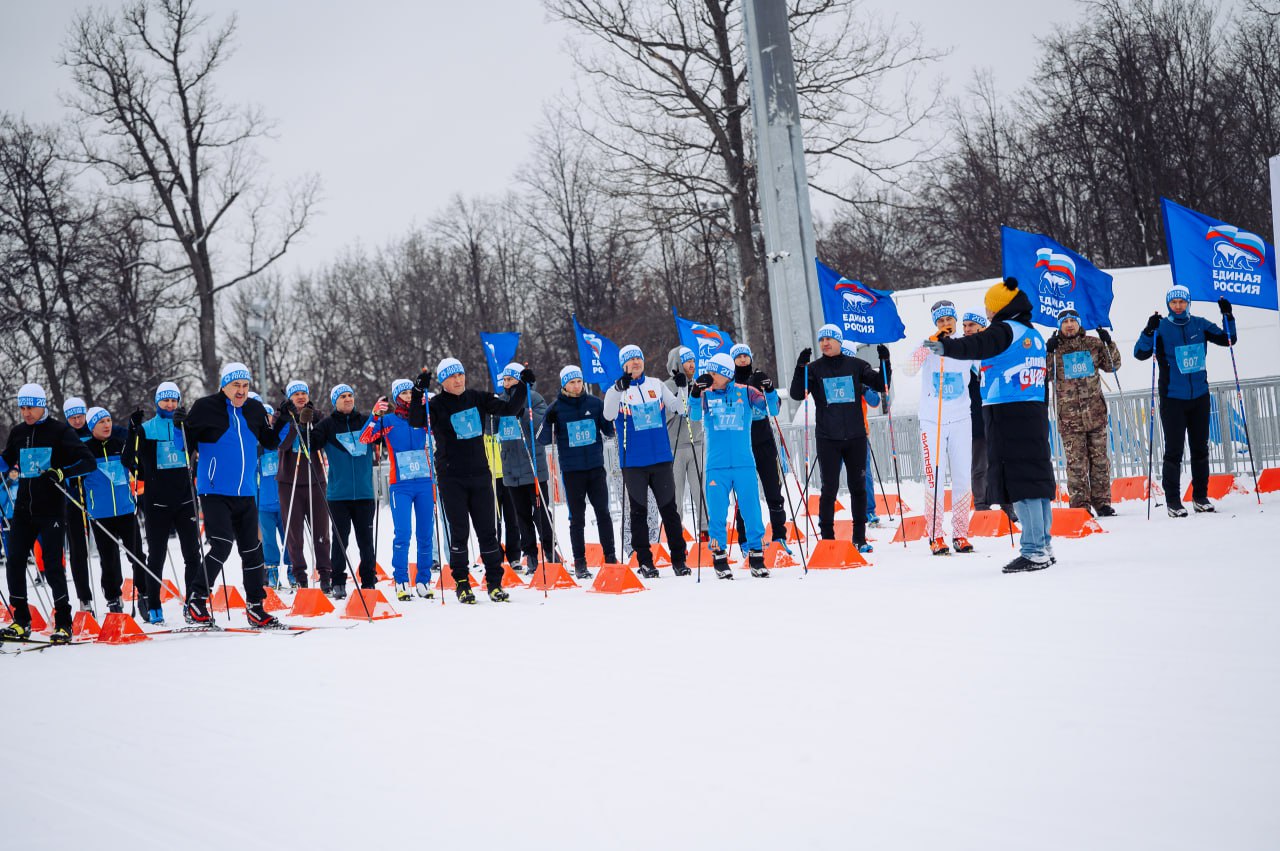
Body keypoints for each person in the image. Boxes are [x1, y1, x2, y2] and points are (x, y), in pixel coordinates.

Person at [929, 278, 1054, 573]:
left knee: (1020, 479)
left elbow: (978, 344)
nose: (986, 313)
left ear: (999, 307)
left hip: (1009, 410)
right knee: (1035, 477)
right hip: (1032, 408)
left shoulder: (1005, 329)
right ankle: (1044, 544)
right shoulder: (1031, 333)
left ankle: (1034, 549)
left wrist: (945, 345)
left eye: (989, 307)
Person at [412, 358, 532, 603]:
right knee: (459, 532)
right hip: (451, 477)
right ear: (443, 381)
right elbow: (415, 420)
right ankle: (462, 583)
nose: (458, 380)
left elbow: (509, 410)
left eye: (461, 375)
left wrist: (521, 387)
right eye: (452, 377)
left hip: (479, 474)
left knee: (488, 532)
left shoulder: (478, 398)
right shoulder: (435, 404)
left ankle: (494, 583)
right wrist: (417, 392)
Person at [183, 362, 283, 626]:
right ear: (224, 386)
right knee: (222, 544)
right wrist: (179, 428)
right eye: (235, 386)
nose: (241, 391)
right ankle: (196, 598)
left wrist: (284, 418)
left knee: (252, 549)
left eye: (245, 386)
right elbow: (184, 446)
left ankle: (255, 607)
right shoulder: (206, 408)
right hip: (215, 491)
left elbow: (271, 441)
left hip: (246, 492)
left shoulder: (254, 409)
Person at [0, 384, 95, 643]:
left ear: (42, 405)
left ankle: (63, 623)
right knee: (15, 562)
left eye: (30, 407)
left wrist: (62, 472)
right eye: (22, 407)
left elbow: (88, 461)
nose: (25, 412)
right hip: (23, 510)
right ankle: (21, 621)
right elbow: (6, 460)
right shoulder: (19, 432)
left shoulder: (60, 431)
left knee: (53, 566)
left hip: (51, 510)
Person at [1134, 288, 1238, 516]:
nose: (1178, 306)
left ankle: (1200, 496)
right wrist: (1148, 329)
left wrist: (1227, 316)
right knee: (1174, 451)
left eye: (1182, 302)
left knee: (1200, 449)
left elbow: (1229, 339)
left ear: (1188, 303)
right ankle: (1173, 501)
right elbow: (1139, 353)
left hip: (1199, 396)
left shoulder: (1200, 324)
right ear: (1168, 304)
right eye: (1174, 302)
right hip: (1173, 399)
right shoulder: (1161, 328)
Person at [788, 325, 890, 553]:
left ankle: (860, 537)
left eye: (829, 339)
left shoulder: (856, 366)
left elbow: (882, 384)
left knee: (858, 488)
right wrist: (800, 366)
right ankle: (827, 538)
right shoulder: (814, 369)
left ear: (839, 342)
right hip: (828, 438)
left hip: (855, 436)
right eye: (821, 339)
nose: (825, 343)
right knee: (829, 488)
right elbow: (797, 394)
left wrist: (885, 361)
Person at [603, 345, 690, 579]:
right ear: (623, 366)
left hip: (660, 458)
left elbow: (680, 408)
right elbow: (608, 415)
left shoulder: (656, 385)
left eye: (638, 359)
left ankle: (679, 559)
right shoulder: (617, 389)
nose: (635, 363)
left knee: (669, 511)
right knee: (639, 512)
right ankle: (645, 561)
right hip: (633, 462)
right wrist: (616, 390)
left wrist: (683, 386)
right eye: (630, 361)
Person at [690, 352, 779, 578]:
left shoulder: (746, 392)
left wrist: (770, 390)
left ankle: (757, 557)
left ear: (726, 373)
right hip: (716, 465)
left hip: (743, 463)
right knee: (718, 513)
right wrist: (694, 392)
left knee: (751, 510)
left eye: (714, 372)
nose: (710, 376)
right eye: (708, 372)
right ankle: (719, 558)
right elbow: (693, 415)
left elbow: (773, 409)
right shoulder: (706, 395)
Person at [127, 382, 204, 625]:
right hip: (156, 503)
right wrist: (132, 430)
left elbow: (199, 449)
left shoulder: (185, 425)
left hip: (184, 500)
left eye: (174, 400)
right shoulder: (147, 429)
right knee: (156, 556)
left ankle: (193, 602)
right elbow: (128, 458)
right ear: (157, 402)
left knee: (192, 554)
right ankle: (154, 605)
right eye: (165, 400)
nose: (170, 405)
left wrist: (187, 427)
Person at [906, 300, 976, 555]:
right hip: (932, 421)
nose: (946, 324)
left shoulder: (966, 345)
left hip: (960, 420)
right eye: (941, 321)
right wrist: (929, 346)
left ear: (956, 321)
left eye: (949, 320)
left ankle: (961, 533)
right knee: (934, 477)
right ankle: (935, 534)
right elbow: (908, 369)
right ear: (935, 323)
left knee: (962, 477)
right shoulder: (928, 343)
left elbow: (986, 366)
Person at [539, 366, 617, 579]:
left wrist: (612, 416)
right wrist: (549, 422)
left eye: (579, 382)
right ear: (564, 384)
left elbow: (608, 430)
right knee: (577, 518)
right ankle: (580, 562)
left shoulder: (594, 403)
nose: (576, 386)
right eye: (571, 382)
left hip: (595, 468)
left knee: (603, 513)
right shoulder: (556, 408)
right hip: (572, 472)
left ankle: (610, 557)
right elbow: (543, 438)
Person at [363, 379, 435, 600]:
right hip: (400, 484)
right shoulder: (390, 420)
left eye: (410, 392)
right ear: (396, 397)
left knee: (426, 534)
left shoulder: (423, 418)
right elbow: (366, 438)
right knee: (403, 533)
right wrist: (375, 415)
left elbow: (440, 429)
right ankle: (401, 580)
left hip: (424, 482)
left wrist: (429, 408)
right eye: (403, 393)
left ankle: (423, 580)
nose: (408, 396)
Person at [1046, 308, 1121, 516]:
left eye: (1072, 321)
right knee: (1076, 464)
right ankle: (1080, 506)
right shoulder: (1056, 349)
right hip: (1070, 419)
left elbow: (1113, 365)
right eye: (1065, 322)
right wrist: (1048, 352)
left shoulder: (1093, 344)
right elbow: (1046, 375)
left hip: (1095, 414)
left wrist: (1109, 343)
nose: (1069, 325)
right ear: (1059, 326)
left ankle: (1102, 502)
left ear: (1079, 323)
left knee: (1099, 461)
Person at [492, 362, 559, 575]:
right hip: (511, 468)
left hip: (533, 466)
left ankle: (549, 548)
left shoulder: (534, 398)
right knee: (521, 516)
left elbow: (541, 423)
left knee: (540, 512)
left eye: (511, 379)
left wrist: (524, 411)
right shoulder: (500, 401)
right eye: (505, 380)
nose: (507, 384)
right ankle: (530, 553)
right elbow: (492, 428)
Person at [81, 406, 146, 617]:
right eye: (101, 422)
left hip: (126, 510)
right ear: (92, 427)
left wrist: (134, 428)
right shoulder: (85, 449)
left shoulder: (120, 445)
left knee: (136, 555)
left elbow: (135, 459)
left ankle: (145, 593)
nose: (107, 425)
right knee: (108, 559)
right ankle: (113, 597)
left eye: (108, 420)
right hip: (101, 515)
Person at [313, 384, 376, 598]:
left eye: (350, 395)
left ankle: (369, 580)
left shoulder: (366, 421)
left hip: (365, 494)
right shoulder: (327, 425)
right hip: (339, 495)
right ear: (335, 402)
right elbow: (309, 444)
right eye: (343, 397)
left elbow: (384, 437)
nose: (348, 399)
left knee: (366, 541)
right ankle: (338, 581)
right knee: (341, 541)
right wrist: (305, 424)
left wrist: (381, 418)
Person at [272, 380, 332, 592]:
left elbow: (321, 439)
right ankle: (300, 576)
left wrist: (310, 422)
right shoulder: (281, 416)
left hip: (315, 479)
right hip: (289, 481)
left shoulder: (318, 415)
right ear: (289, 397)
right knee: (295, 533)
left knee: (321, 531)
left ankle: (325, 574)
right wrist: (292, 421)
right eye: (295, 394)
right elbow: (281, 443)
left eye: (303, 393)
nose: (300, 397)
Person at [729, 343, 788, 548]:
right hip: (742, 445)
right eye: (739, 357)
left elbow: (775, 409)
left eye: (746, 356)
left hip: (764, 442)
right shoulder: (731, 382)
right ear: (733, 360)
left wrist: (770, 388)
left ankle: (779, 535)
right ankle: (745, 539)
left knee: (774, 491)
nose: (743, 359)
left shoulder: (759, 377)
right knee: (745, 494)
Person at [665, 345, 707, 538]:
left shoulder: (698, 385)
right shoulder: (666, 386)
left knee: (701, 490)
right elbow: (664, 415)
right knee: (676, 494)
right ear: (677, 364)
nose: (691, 365)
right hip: (675, 447)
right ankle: (676, 534)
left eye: (693, 361)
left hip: (697, 443)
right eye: (687, 361)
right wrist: (678, 392)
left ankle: (706, 531)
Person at [61, 395, 97, 613]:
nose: (77, 421)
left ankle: (112, 593)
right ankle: (84, 598)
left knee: (105, 546)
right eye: (72, 417)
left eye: (80, 416)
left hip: (96, 495)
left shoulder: (93, 432)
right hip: (73, 497)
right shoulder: (63, 437)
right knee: (78, 550)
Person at [254, 403, 291, 590]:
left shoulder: (278, 441)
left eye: (269, 417)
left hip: (284, 502)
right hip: (265, 505)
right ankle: (272, 573)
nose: (267, 421)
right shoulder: (256, 445)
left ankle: (293, 571)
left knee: (290, 538)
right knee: (269, 542)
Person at [961, 310, 991, 511]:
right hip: (973, 417)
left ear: (982, 326)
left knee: (1000, 463)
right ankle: (981, 504)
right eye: (964, 325)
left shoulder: (993, 347)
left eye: (971, 325)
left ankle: (1007, 505)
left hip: (995, 413)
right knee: (978, 465)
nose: (967, 329)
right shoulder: (961, 350)